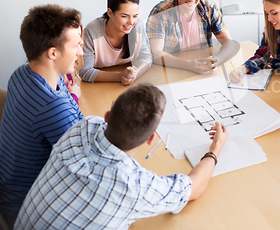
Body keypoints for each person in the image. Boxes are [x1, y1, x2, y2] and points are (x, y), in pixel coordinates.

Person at [15, 84, 229, 229]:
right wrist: (216, 147)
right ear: (150, 139)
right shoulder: (134, 185)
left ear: (107, 116)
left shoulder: (84, 125)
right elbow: (194, 187)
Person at [0, 5, 84, 227]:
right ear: (53, 53)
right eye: (76, 45)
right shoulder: (52, 107)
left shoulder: (22, 73)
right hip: (26, 209)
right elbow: (85, 162)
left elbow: (73, 114)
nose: (81, 52)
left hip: (8, 189)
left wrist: (72, 99)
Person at [147, 0, 232, 74]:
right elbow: (155, 54)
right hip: (172, 69)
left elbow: (228, 42)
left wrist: (218, 59)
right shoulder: (160, 12)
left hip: (202, 68)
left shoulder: (209, 8)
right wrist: (187, 65)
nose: (192, 0)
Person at [80, 0, 152, 84]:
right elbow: (85, 71)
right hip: (98, 86)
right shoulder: (92, 31)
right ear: (110, 13)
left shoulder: (137, 26)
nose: (131, 22)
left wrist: (134, 74)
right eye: (124, 16)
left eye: (135, 16)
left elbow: (146, 57)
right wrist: (120, 76)